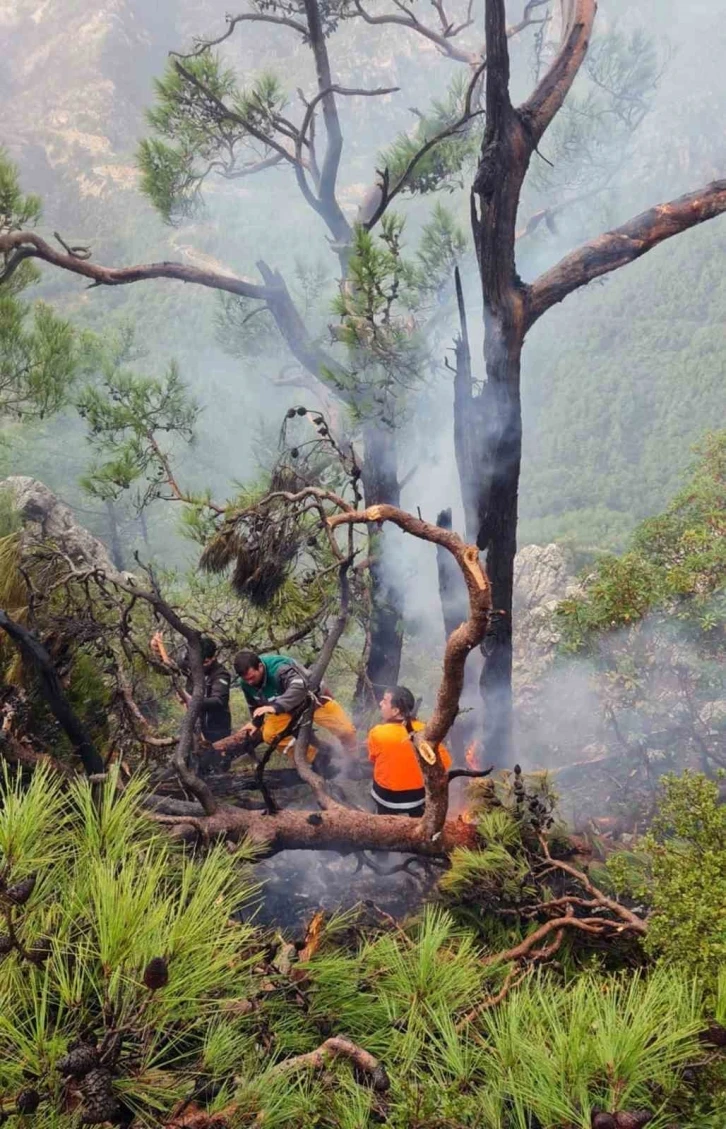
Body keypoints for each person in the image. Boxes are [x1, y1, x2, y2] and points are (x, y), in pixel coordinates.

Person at [231, 650, 357, 763]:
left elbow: (299, 687)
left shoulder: (280, 669)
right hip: (285, 710)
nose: (250, 682)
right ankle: (316, 758)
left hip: (314, 701)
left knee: (346, 730)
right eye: (246, 679)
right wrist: (255, 722)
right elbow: (254, 702)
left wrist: (276, 707)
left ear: (260, 667)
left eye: (252, 677)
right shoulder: (246, 682)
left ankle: (352, 755)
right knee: (270, 735)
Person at [367, 686, 451, 817]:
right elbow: (445, 763)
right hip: (417, 798)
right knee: (418, 821)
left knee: (385, 821)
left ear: (395, 711)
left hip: (385, 798)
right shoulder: (426, 732)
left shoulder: (377, 732)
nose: (380, 703)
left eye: (384, 701)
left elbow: (372, 759)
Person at [177, 636, 232, 770]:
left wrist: (192, 700)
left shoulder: (221, 674)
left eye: (204, 662)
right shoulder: (190, 663)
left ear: (211, 659)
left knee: (217, 765)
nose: (199, 666)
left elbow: (219, 701)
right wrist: (157, 650)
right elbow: (169, 665)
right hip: (194, 726)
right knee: (193, 764)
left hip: (216, 729)